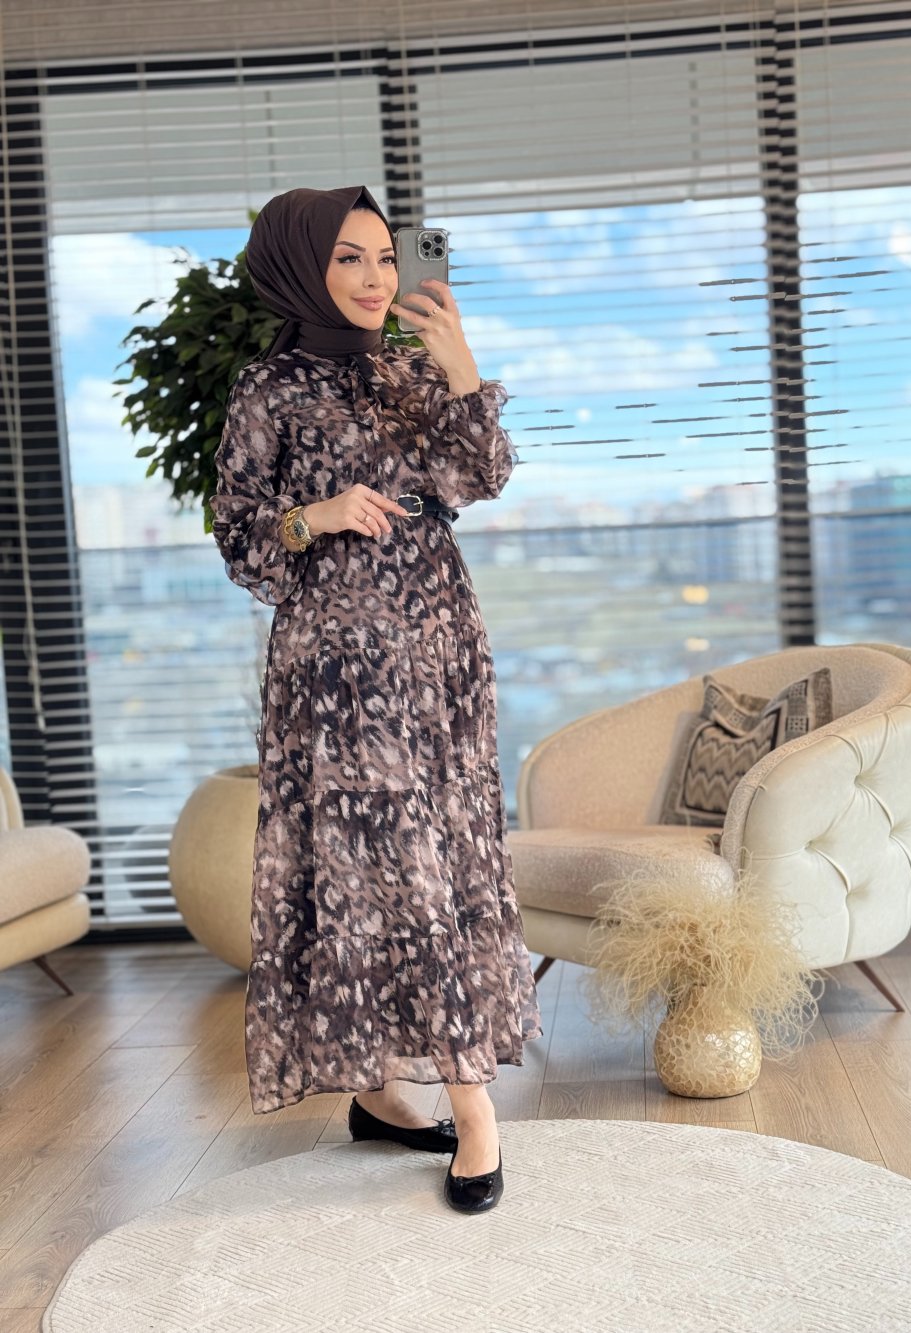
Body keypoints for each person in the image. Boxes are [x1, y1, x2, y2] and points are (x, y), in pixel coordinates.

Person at [209, 185, 542, 1214]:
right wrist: (316, 514)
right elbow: (240, 533)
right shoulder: (268, 389)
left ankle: (382, 1098)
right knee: (385, 865)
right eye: (349, 257)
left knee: (446, 849)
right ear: (302, 266)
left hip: (440, 648)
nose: (375, 277)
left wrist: (460, 364)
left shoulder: (411, 368)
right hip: (339, 666)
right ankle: (474, 1114)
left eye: (386, 258)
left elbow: (483, 474)